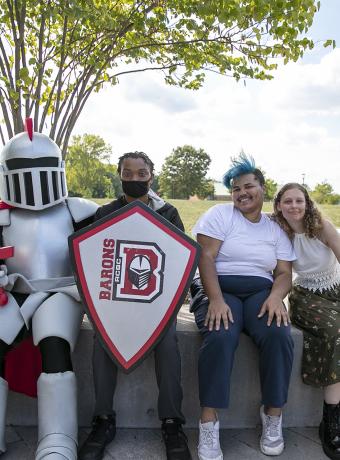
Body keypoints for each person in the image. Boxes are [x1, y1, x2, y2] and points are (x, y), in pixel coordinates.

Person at [79, 151, 192, 460]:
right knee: (102, 340)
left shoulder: (167, 213)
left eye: (141, 173)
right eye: (127, 173)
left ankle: (172, 422)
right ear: (120, 175)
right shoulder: (106, 212)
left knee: (167, 342)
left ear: (150, 177)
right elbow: (95, 258)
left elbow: (180, 261)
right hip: (115, 305)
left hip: (156, 305)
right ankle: (103, 420)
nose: (134, 178)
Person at [0, 121, 98, 459]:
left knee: (54, 344)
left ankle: (58, 438)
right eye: (23, 168)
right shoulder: (2, 216)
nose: (33, 176)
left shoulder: (78, 210)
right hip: (12, 293)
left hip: (64, 292)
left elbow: (109, 245)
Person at [190, 153, 296, 460]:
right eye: (236, 189)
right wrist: (216, 299)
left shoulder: (275, 229)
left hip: (260, 291)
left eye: (248, 186)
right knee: (221, 334)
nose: (241, 193)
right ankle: (208, 423)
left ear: (262, 188)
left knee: (278, 333)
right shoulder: (220, 215)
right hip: (218, 286)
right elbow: (205, 258)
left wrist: (276, 297)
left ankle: (273, 415)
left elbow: (284, 273)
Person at [273, 183, 340, 460]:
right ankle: (331, 419)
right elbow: (284, 272)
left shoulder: (321, 226)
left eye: (299, 200)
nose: (294, 206)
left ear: (307, 202)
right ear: (278, 205)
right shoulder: (279, 231)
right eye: (287, 201)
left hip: (336, 288)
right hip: (305, 294)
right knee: (335, 331)